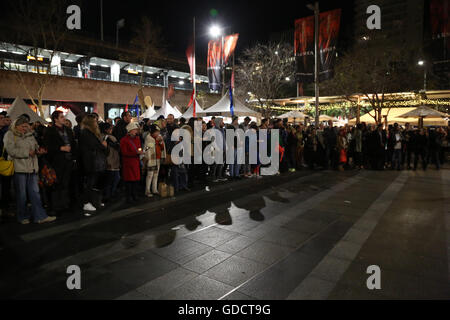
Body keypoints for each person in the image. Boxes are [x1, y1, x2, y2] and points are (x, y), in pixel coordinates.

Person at [3, 116, 56, 224]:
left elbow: (35, 146)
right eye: (22, 126)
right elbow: (11, 151)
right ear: (16, 126)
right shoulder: (9, 135)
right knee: (21, 195)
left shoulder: (30, 135)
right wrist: (27, 153)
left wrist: (39, 151)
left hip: (32, 168)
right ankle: (22, 216)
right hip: (19, 169)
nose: (24, 128)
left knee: (35, 193)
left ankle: (40, 216)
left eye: (26, 126)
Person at [44, 110, 77, 216]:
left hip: (68, 160)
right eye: (61, 117)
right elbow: (47, 146)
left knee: (65, 183)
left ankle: (64, 204)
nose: (64, 118)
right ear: (56, 119)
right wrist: (60, 148)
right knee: (56, 184)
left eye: (63, 117)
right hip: (57, 161)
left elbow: (72, 143)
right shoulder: (50, 131)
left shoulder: (68, 130)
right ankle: (55, 206)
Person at [79, 114, 108, 212]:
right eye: (95, 121)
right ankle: (86, 202)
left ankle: (94, 200)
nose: (97, 123)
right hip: (90, 162)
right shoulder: (86, 133)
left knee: (94, 183)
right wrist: (102, 145)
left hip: (95, 161)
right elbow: (94, 146)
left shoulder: (92, 133)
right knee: (90, 183)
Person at [120, 122, 143, 203]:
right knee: (129, 181)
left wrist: (140, 151)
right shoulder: (124, 140)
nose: (136, 131)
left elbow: (139, 148)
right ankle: (129, 197)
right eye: (134, 130)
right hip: (128, 163)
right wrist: (136, 153)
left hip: (135, 162)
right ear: (130, 131)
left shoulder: (137, 138)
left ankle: (135, 195)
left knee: (136, 180)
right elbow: (124, 152)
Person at [100, 122, 121, 203]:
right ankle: (108, 195)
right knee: (110, 179)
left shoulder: (109, 137)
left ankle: (111, 193)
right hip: (109, 160)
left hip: (114, 159)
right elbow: (116, 147)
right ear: (106, 129)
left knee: (116, 178)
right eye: (110, 128)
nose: (111, 130)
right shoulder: (105, 137)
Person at [144, 124, 166, 197]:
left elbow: (163, 147)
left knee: (156, 174)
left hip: (158, 158)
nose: (158, 133)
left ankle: (154, 189)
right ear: (152, 132)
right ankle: (147, 190)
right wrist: (156, 141)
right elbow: (147, 148)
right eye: (156, 132)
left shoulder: (159, 138)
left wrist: (160, 142)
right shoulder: (148, 138)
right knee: (150, 175)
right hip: (151, 159)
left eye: (158, 131)